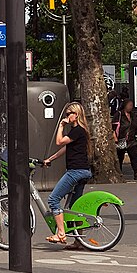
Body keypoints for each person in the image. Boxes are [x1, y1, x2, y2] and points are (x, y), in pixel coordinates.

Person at [41, 101, 93, 246]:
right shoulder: (79, 132)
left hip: (75, 172)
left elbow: (59, 141)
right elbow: (65, 148)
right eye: (66, 114)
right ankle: (79, 241)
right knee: (75, 208)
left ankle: (61, 234)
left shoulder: (77, 130)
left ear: (76, 115)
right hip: (83, 171)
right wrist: (50, 159)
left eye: (69, 114)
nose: (67, 116)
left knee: (53, 199)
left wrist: (61, 125)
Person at [115, 100, 137, 181]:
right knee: (120, 157)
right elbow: (114, 126)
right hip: (121, 139)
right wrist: (115, 138)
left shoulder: (133, 115)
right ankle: (119, 173)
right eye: (129, 105)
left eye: (132, 105)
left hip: (131, 139)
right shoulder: (119, 114)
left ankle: (136, 172)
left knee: (134, 155)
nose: (131, 107)